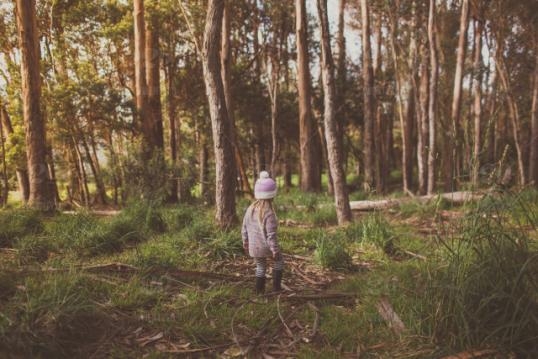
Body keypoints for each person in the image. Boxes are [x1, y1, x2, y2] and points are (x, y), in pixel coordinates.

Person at [242, 171, 283, 294]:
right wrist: (275, 250)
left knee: (260, 266)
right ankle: (276, 287)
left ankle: (259, 291)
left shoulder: (250, 209)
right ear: (272, 195)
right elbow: (271, 236)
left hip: (253, 247)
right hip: (266, 247)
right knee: (279, 261)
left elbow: (244, 227)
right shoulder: (269, 213)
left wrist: (245, 242)